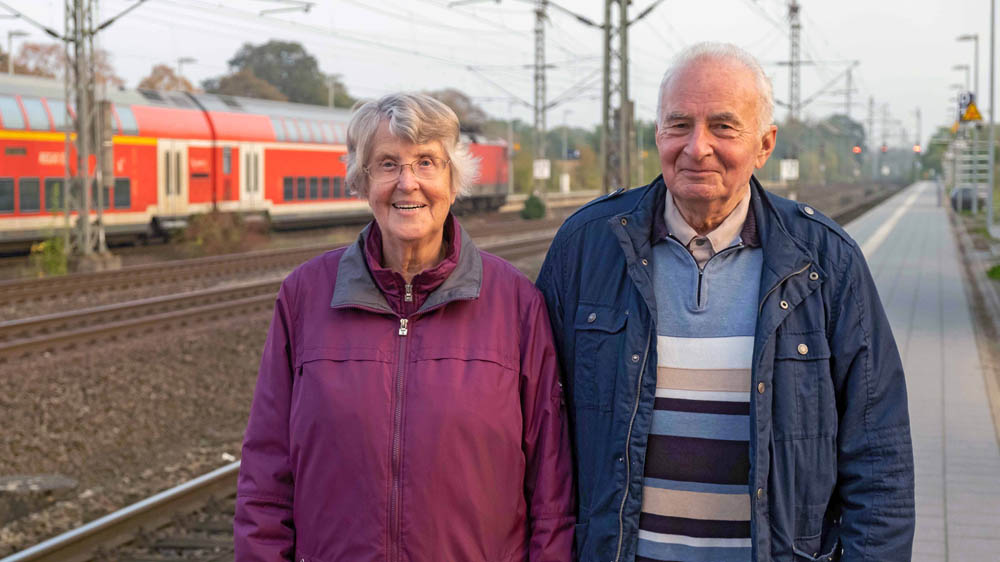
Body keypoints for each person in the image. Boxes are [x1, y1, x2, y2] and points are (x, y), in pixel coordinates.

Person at [536, 43, 914, 562]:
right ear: (657, 135)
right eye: (678, 124)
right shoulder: (585, 247)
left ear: (764, 145)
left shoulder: (825, 263)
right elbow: (535, 435)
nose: (697, 147)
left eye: (723, 126)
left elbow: (880, 457)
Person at [234, 92, 574, 561]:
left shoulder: (516, 303)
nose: (407, 183)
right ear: (362, 180)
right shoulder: (305, 296)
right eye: (388, 164)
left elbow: (552, 492)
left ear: (454, 180)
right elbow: (266, 477)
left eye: (427, 162)